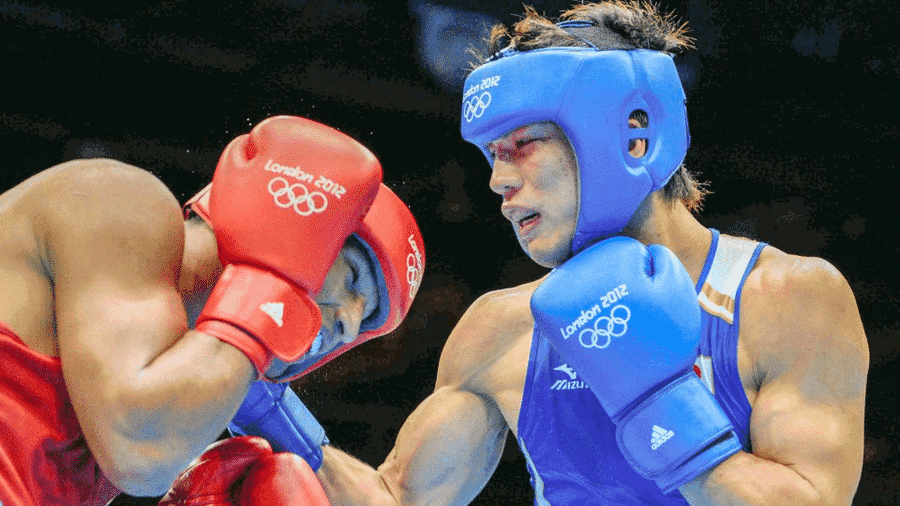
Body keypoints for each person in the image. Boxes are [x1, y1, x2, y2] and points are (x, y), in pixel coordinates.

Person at [220, 2, 868, 505]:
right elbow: (396, 497)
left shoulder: (787, 299)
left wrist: (662, 407)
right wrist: (251, 389)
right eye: (491, 155)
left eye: (524, 144)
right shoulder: (501, 328)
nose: (498, 182)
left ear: (632, 137)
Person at [0, 114, 425, 506]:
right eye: (352, 278)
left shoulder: (189, 379)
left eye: (366, 316)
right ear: (292, 219)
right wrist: (269, 282)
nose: (350, 325)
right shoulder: (118, 200)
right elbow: (141, 454)